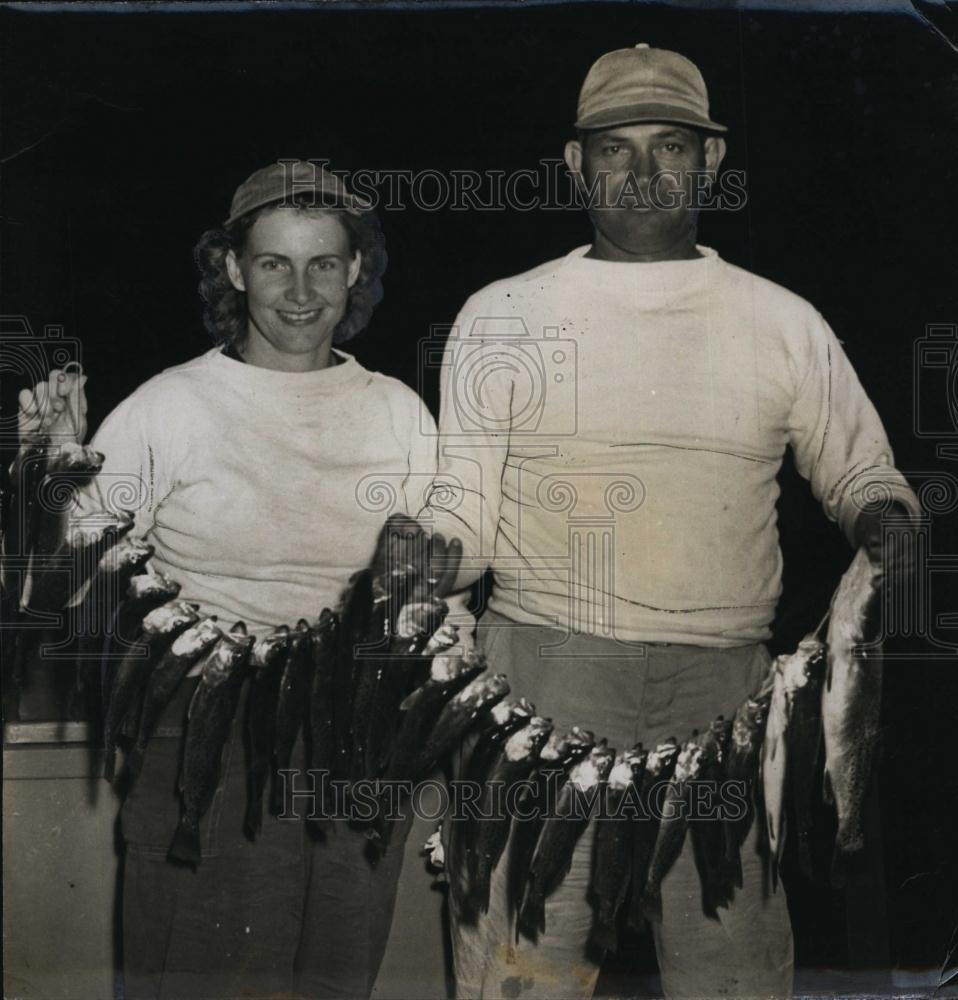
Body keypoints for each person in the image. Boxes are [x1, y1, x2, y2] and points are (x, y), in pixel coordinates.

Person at [422, 44, 921, 999]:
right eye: (616, 149)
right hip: (542, 686)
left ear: (711, 162)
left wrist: (885, 520)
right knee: (521, 972)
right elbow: (464, 510)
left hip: (728, 696)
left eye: (670, 146)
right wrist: (428, 554)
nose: (644, 173)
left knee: (732, 975)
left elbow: (860, 468)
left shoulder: (783, 321)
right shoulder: (503, 314)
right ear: (577, 166)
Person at [17, 160, 455, 1000]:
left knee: (336, 973)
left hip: (356, 735)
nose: (300, 291)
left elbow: (439, 585)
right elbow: (75, 580)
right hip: (204, 730)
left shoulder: (399, 410)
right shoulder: (171, 406)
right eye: (272, 263)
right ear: (231, 268)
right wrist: (55, 472)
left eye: (324, 263)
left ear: (356, 268)